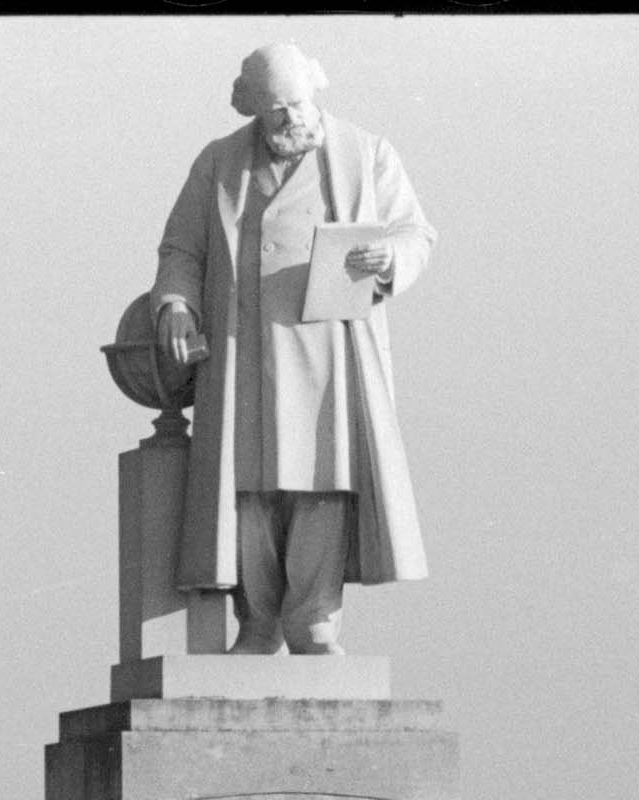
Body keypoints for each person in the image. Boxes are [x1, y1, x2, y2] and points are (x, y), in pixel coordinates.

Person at [151, 42, 436, 655]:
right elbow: (181, 250)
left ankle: (312, 621)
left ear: (315, 92)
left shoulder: (365, 152)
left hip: (328, 349)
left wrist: (392, 258)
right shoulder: (220, 162)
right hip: (242, 350)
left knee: (321, 482)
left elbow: (415, 232)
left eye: (297, 105)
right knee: (247, 486)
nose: (289, 120)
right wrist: (177, 303)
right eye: (275, 110)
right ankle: (256, 623)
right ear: (253, 107)